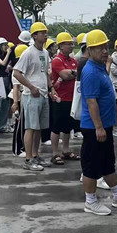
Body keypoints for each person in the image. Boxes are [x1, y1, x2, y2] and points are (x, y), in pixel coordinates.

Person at [80, 29, 117, 215]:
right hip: (94, 127)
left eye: (106, 47)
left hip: (104, 126)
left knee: (108, 163)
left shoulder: (100, 68)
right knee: (91, 166)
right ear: (90, 50)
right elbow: (91, 102)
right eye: (100, 48)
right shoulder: (90, 71)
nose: (105, 51)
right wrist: (98, 127)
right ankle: (90, 201)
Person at [12, 22, 59, 171]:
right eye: (42, 33)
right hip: (31, 96)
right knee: (31, 128)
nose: (45, 35)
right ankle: (28, 159)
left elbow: (45, 73)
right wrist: (31, 87)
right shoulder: (28, 53)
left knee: (39, 128)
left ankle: (35, 155)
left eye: (46, 32)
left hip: (43, 94)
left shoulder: (44, 53)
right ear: (34, 36)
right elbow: (16, 73)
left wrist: (51, 88)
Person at [50, 32, 80, 165]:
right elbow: (65, 75)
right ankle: (55, 153)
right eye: (68, 44)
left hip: (72, 98)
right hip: (60, 98)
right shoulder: (57, 60)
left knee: (68, 126)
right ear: (61, 46)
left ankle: (66, 150)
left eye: (72, 44)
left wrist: (72, 73)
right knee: (57, 126)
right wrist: (72, 73)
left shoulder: (73, 61)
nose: (71, 46)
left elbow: (75, 74)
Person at [10, 44, 28, 156]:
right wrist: (15, 103)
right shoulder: (17, 70)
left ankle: (25, 147)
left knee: (26, 125)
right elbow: (15, 88)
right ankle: (17, 149)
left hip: (26, 98)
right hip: (20, 99)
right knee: (19, 126)